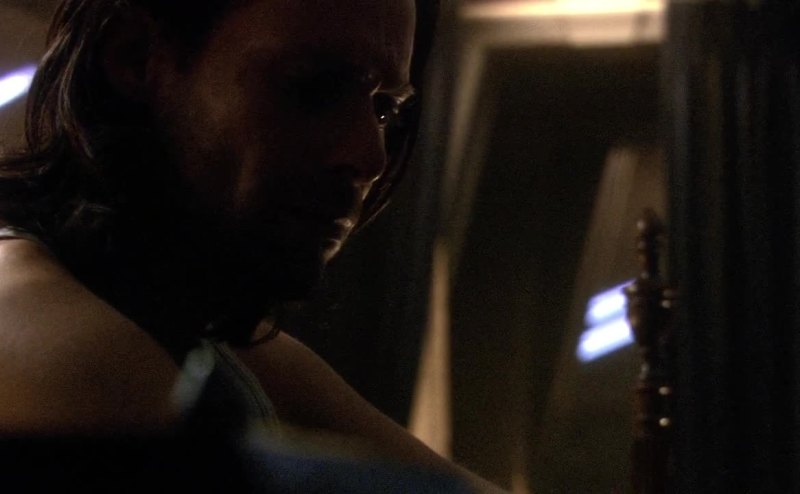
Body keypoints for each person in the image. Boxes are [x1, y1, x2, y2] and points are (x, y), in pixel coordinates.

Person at [0, 0, 507, 492]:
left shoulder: (204, 332)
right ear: (136, 57)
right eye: (314, 86)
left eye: (383, 109)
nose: (369, 156)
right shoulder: (69, 349)